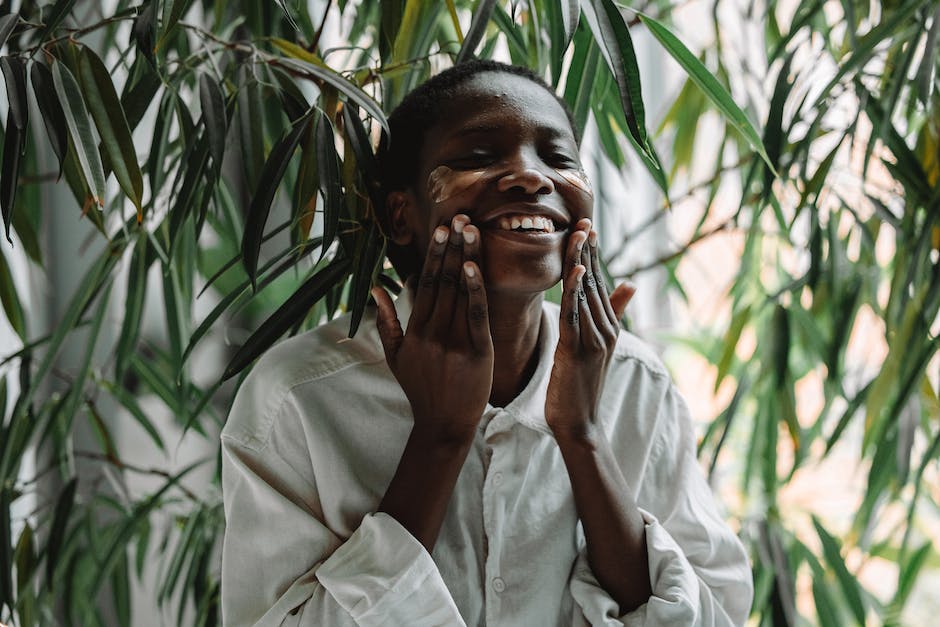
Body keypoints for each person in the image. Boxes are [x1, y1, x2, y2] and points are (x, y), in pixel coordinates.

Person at [221, 59, 753, 626]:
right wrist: (440, 437)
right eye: (478, 156)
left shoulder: (637, 386)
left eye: (558, 158)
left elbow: (716, 611)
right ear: (401, 216)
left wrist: (583, 436)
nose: (531, 177)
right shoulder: (299, 400)